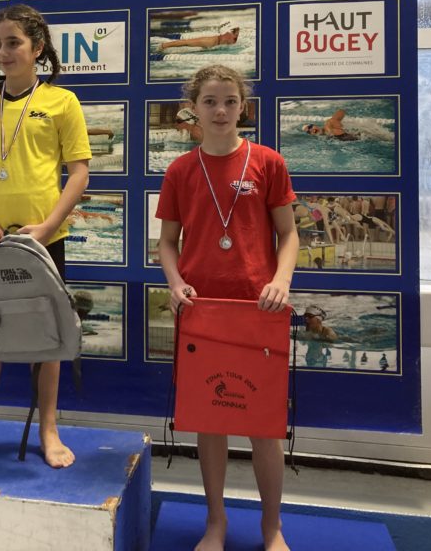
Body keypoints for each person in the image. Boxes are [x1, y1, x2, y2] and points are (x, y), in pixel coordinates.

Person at [156, 63, 298, 551]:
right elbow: (167, 242)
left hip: (259, 309)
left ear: (244, 108)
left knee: (264, 427)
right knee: (210, 422)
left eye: (230, 102)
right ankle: (215, 522)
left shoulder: (268, 163)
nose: (220, 111)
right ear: (192, 109)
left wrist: (281, 280)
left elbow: (289, 234)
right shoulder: (180, 170)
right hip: (203, 312)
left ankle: (271, 527)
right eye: (210, 102)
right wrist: (175, 283)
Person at [0, 3, 92, 468]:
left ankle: (49, 431)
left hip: (42, 240)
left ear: (37, 48)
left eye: (14, 43)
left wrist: (47, 227)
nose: (4, 52)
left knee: (46, 337)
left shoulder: (62, 102)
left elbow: (79, 173)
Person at [158, 26, 240, 52]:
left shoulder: (226, 42)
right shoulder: (209, 42)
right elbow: (185, 42)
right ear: (227, 34)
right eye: (235, 37)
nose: (236, 40)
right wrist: (165, 45)